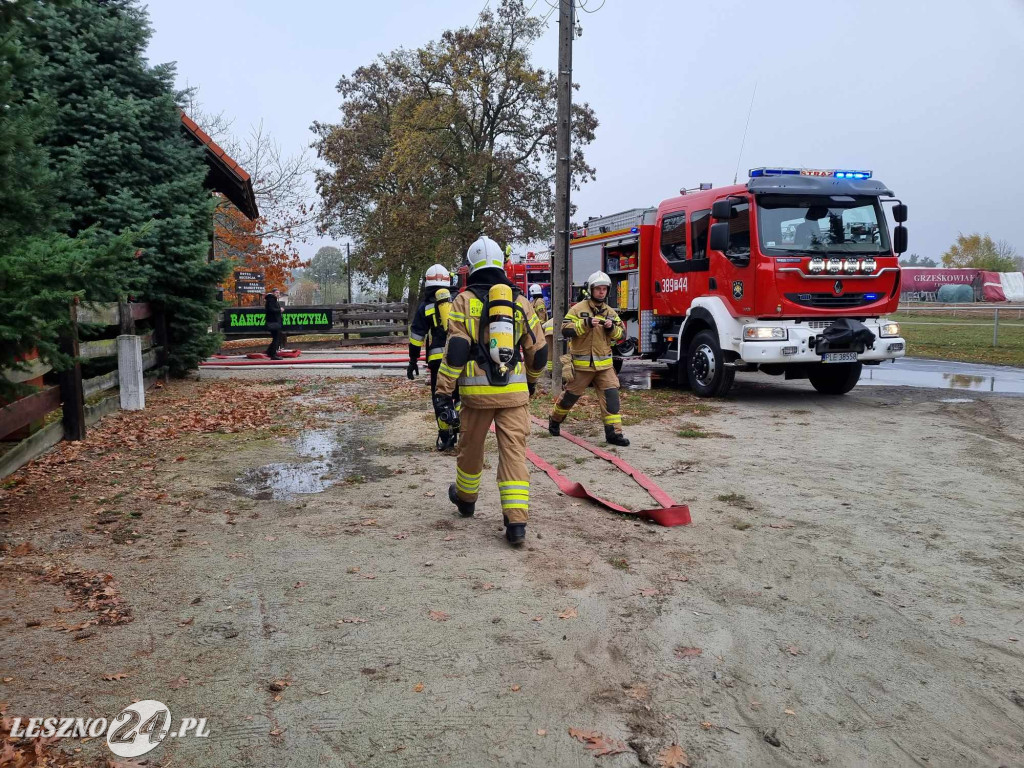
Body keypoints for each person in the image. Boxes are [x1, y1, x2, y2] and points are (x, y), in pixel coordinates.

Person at [434, 236, 547, 547]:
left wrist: (443, 392)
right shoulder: (521, 301)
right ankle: (516, 523)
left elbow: (456, 351)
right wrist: (532, 382)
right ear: (501, 262)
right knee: (514, 454)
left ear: (471, 266)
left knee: (470, 450)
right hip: (514, 396)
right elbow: (539, 353)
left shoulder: (462, 301)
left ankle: (466, 500)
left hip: (476, 397)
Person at [548, 271, 629, 446]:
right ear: (591, 290)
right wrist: (584, 324)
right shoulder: (578, 309)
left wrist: (610, 328)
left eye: (604, 289)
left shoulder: (610, 313)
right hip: (582, 367)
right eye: (598, 289)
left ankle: (614, 434)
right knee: (569, 398)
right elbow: (565, 329)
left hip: (605, 367)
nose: (601, 292)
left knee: (612, 399)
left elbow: (621, 335)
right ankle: (554, 420)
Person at [408, 264, 458, 450]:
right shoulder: (459, 300)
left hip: (438, 359)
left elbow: (416, 339)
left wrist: (413, 361)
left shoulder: (425, 307)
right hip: (460, 356)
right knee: (459, 394)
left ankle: (445, 436)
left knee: (440, 397)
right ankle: (460, 427)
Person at [264, 291, 284, 360]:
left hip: (274, 322)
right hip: (273, 322)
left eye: (279, 292)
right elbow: (271, 310)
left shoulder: (272, 300)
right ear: (273, 293)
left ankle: (269, 351)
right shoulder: (271, 300)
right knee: (276, 338)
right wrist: (279, 310)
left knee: (277, 338)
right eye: (277, 292)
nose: (278, 294)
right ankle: (273, 354)